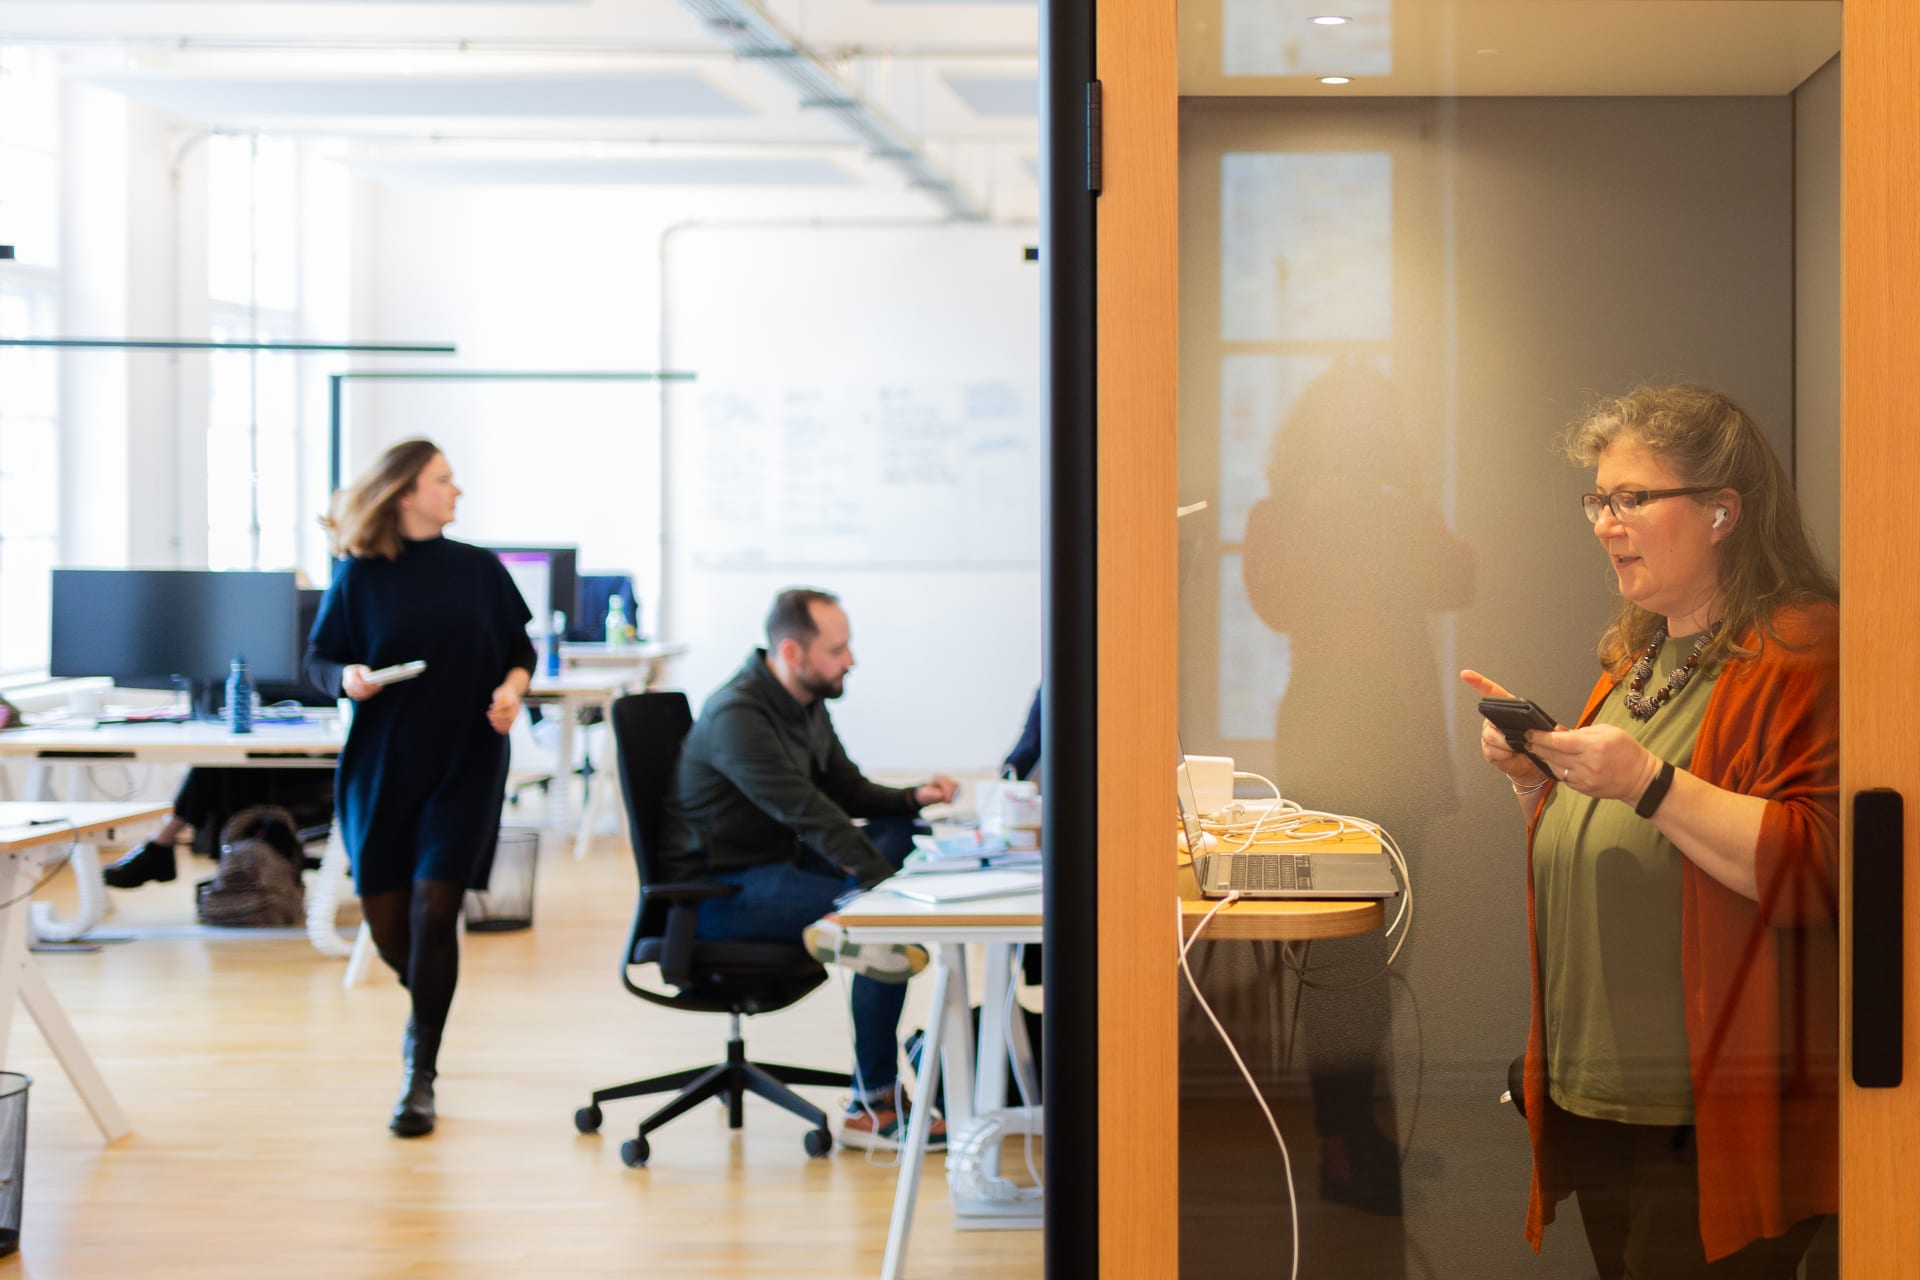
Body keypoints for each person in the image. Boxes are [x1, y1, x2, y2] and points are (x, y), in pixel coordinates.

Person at [1461, 386, 1837, 1277]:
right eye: (1599, 499)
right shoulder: (1636, 660)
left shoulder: (1802, 651)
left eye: (1632, 498)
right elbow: (1613, 847)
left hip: (1707, 1115)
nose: (1604, 522)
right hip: (1599, 1099)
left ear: (1721, 511)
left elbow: (1823, 867)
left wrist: (1648, 781)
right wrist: (1535, 786)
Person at [656, 587, 960, 1150]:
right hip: (717, 893)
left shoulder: (805, 699)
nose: (850, 661)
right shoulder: (738, 716)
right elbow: (813, 814)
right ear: (793, 653)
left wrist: (913, 798)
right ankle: (872, 1105)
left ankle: (854, 925)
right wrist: (886, 895)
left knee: (900, 837)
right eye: (837, 650)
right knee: (880, 925)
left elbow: (843, 788)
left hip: (776, 862)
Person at [304, 439, 536, 1138]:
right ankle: (427, 1004)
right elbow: (317, 658)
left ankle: (420, 1070)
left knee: (438, 909)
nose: (456, 490)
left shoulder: (478, 570)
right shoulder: (359, 576)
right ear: (406, 492)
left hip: (466, 759)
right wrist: (345, 678)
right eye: (443, 480)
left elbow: (521, 648)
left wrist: (512, 691)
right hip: (383, 766)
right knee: (389, 927)